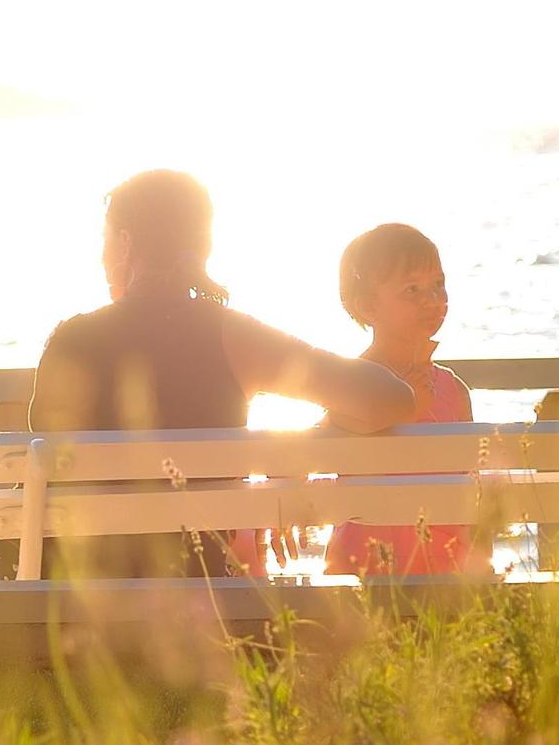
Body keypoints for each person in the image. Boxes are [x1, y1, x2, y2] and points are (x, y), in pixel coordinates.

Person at [22, 169, 412, 578]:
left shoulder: (73, 340)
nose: (101, 256)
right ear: (202, 246)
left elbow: (42, 468)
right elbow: (390, 398)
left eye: (104, 240)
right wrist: (301, 446)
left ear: (125, 243)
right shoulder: (236, 338)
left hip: (75, 599)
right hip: (196, 591)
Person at [323, 224, 477, 577]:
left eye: (438, 284)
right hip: (368, 567)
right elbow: (333, 431)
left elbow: (471, 490)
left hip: (445, 566)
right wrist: (407, 406)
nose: (432, 299)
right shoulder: (352, 380)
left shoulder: (454, 390)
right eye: (412, 289)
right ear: (367, 306)